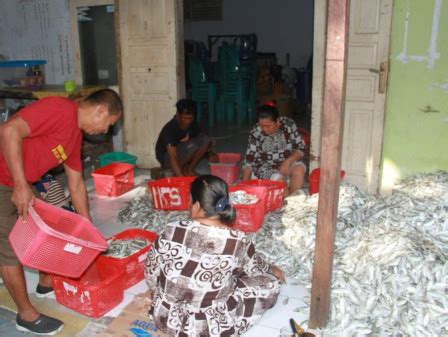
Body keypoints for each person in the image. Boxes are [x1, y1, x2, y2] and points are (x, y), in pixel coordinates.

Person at [0, 88, 122, 335]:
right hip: (4, 178)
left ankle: (44, 283)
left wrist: (88, 229)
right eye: (108, 124)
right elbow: (8, 130)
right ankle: (26, 316)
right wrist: (22, 184)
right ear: (101, 111)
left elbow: (76, 184)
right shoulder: (59, 108)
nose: (105, 132)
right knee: (9, 247)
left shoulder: (75, 136)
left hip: (20, 181)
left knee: (45, 229)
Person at [145, 174, 284, 336]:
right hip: (208, 328)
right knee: (270, 283)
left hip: (165, 318)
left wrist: (160, 292)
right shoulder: (237, 240)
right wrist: (271, 271)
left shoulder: (170, 229)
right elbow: (255, 270)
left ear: (196, 206)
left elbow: (151, 272)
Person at [242, 104, 306, 196]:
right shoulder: (256, 132)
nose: (264, 129)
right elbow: (249, 160)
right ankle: (287, 204)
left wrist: (288, 161)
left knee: (299, 169)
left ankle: (293, 200)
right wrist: (244, 185)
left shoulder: (289, 125)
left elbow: (301, 148)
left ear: (278, 121)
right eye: (261, 125)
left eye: (268, 126)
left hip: (287, 162)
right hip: (265, 166)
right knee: (280, 182)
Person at [155, 99, 214, 177]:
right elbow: (172, 157)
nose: (188, 121)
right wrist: (181, 179)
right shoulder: (169, 129)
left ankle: (190, 170)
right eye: (184, 118)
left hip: (182, 149)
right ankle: (179, 172)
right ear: (177, 114)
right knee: (192, 146)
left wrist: (211, 154)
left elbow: (203, 138)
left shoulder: (192, 122)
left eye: (190, 118)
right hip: (166, 158)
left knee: (207, 139)